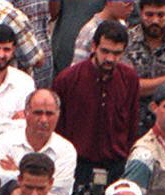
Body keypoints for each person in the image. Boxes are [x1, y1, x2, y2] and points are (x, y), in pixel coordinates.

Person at [52, 17, 140, 181]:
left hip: (116, 166)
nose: (110, 59)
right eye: (105, 51)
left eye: (116, 53)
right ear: (93, 46)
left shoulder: (129, 79)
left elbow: (132, 123)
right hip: (77, 165)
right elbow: (58, 126)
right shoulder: (68, 80)